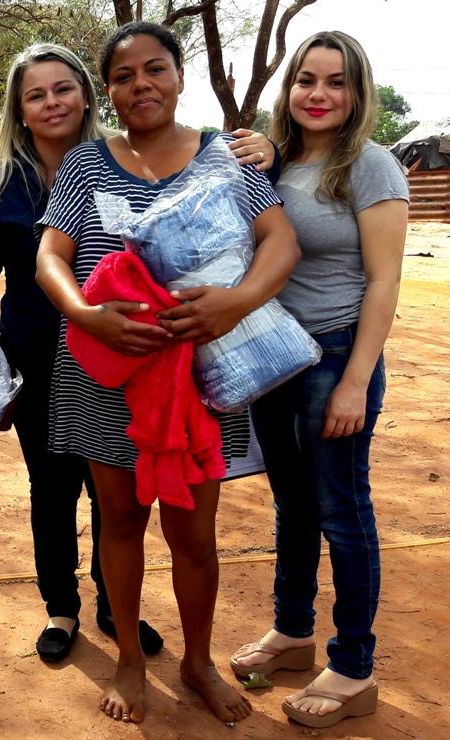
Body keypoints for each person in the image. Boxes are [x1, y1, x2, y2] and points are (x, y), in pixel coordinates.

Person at [0, 43, 278, 663]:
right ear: (19, 110)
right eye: (35, 95)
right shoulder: (1, 184)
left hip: (148, 359)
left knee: (119, 500)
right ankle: (61, 608)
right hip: (42, 358)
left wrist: (270, 148)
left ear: (85, 95)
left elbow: (250, 211)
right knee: (52, 490)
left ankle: (112, 605)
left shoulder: (128, 159)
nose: (51, 103)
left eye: (62, 89)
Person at [35, 22, 299, 724]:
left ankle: (197, 662)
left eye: (155, 69)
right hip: (105, 380)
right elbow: (51, 259)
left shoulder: (225, 159)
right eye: (124, 76)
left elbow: (281, 240)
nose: (141, 85)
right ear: (109, 92)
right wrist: (87, 314)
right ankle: (128, 660)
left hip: (201, 375)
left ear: (181, 78)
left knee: (193, 532)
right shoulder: (87, 166)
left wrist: (235, 303)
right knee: (118, 521)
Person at [228, 31, 409, 729]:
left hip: (335, 355)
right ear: (290, 88)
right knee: (292, 507)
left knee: (343, 510)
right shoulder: (277, 164)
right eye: (307, 79)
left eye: (336, 82)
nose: (320, 94)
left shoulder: (373, 166)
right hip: (273, 357)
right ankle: (293, 633)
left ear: (357, 93)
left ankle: (354, 666)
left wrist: (356, 380)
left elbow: (385, 280)